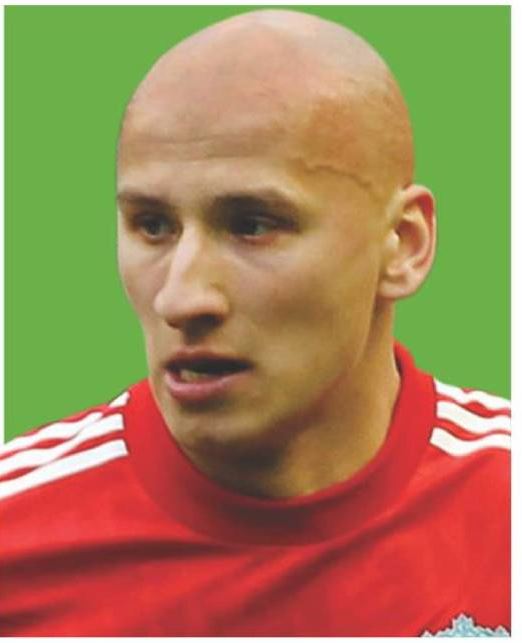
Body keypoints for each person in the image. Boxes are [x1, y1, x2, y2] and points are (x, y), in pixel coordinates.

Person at [0, 9, 510, 637]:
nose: (181, 298)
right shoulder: (15, 542)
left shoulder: (503, 501)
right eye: (152, 226)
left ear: (403, 246)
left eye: (253, 225)